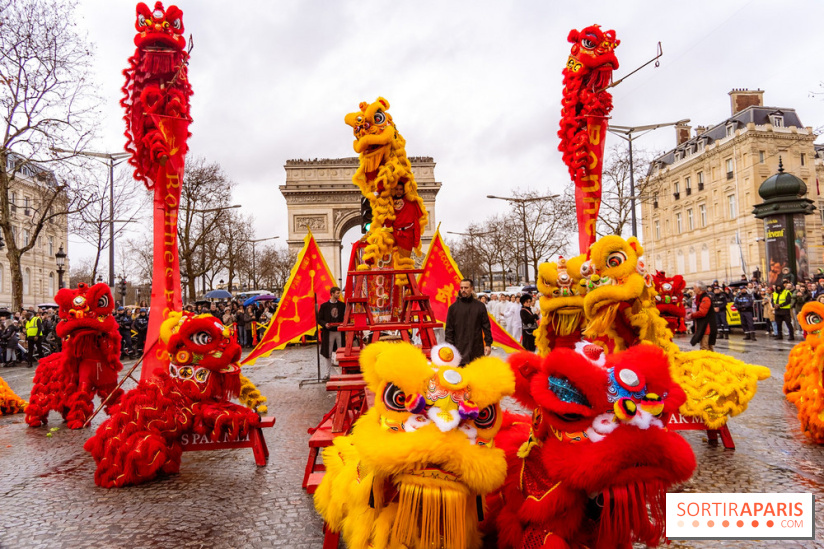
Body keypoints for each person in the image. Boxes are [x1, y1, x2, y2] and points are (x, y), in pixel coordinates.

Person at [445, 278, 492, 366]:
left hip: (476, 347)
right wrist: (449, 347)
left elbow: (486, 326)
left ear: (471, 288)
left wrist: (488, 344)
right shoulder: (453, 308)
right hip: (459, 348)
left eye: (466, 288)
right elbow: (449, 330)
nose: (463, 290)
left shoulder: (480, 306)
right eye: (461, 288)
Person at [383, 180, 423, 260]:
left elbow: (416, 221)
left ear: (404, 190)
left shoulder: (410, 202)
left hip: (407, 236)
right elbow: (388, 221)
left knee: (404, 261)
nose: (398, 191)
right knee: (383, 239)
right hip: (395, 233)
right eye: (397, 189)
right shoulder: (390, 202)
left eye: (400, 189)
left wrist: (416, 241)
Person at [317, 286, 346, 378]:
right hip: (328, 332)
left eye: (339, 293)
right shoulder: (324, 306)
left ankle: (343, 372)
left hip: (339, 331)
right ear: (332, 293)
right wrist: (325, 324)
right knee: (328, 353)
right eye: (337, 293)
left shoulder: (342, 305)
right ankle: (327, 373)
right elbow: (319, 319)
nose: (339, 294)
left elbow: (346, 317)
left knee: (342, 351)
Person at [688, 281, 717, 351]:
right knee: (709, 348)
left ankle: (707, 361)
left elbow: (702, 312)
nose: (694, 290)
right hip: (705, 326)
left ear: (699, 289)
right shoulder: (702, 298)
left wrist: (692, 315)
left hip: (706, 327)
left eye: (694, 288)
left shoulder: (705, 298)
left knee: (704, 347)